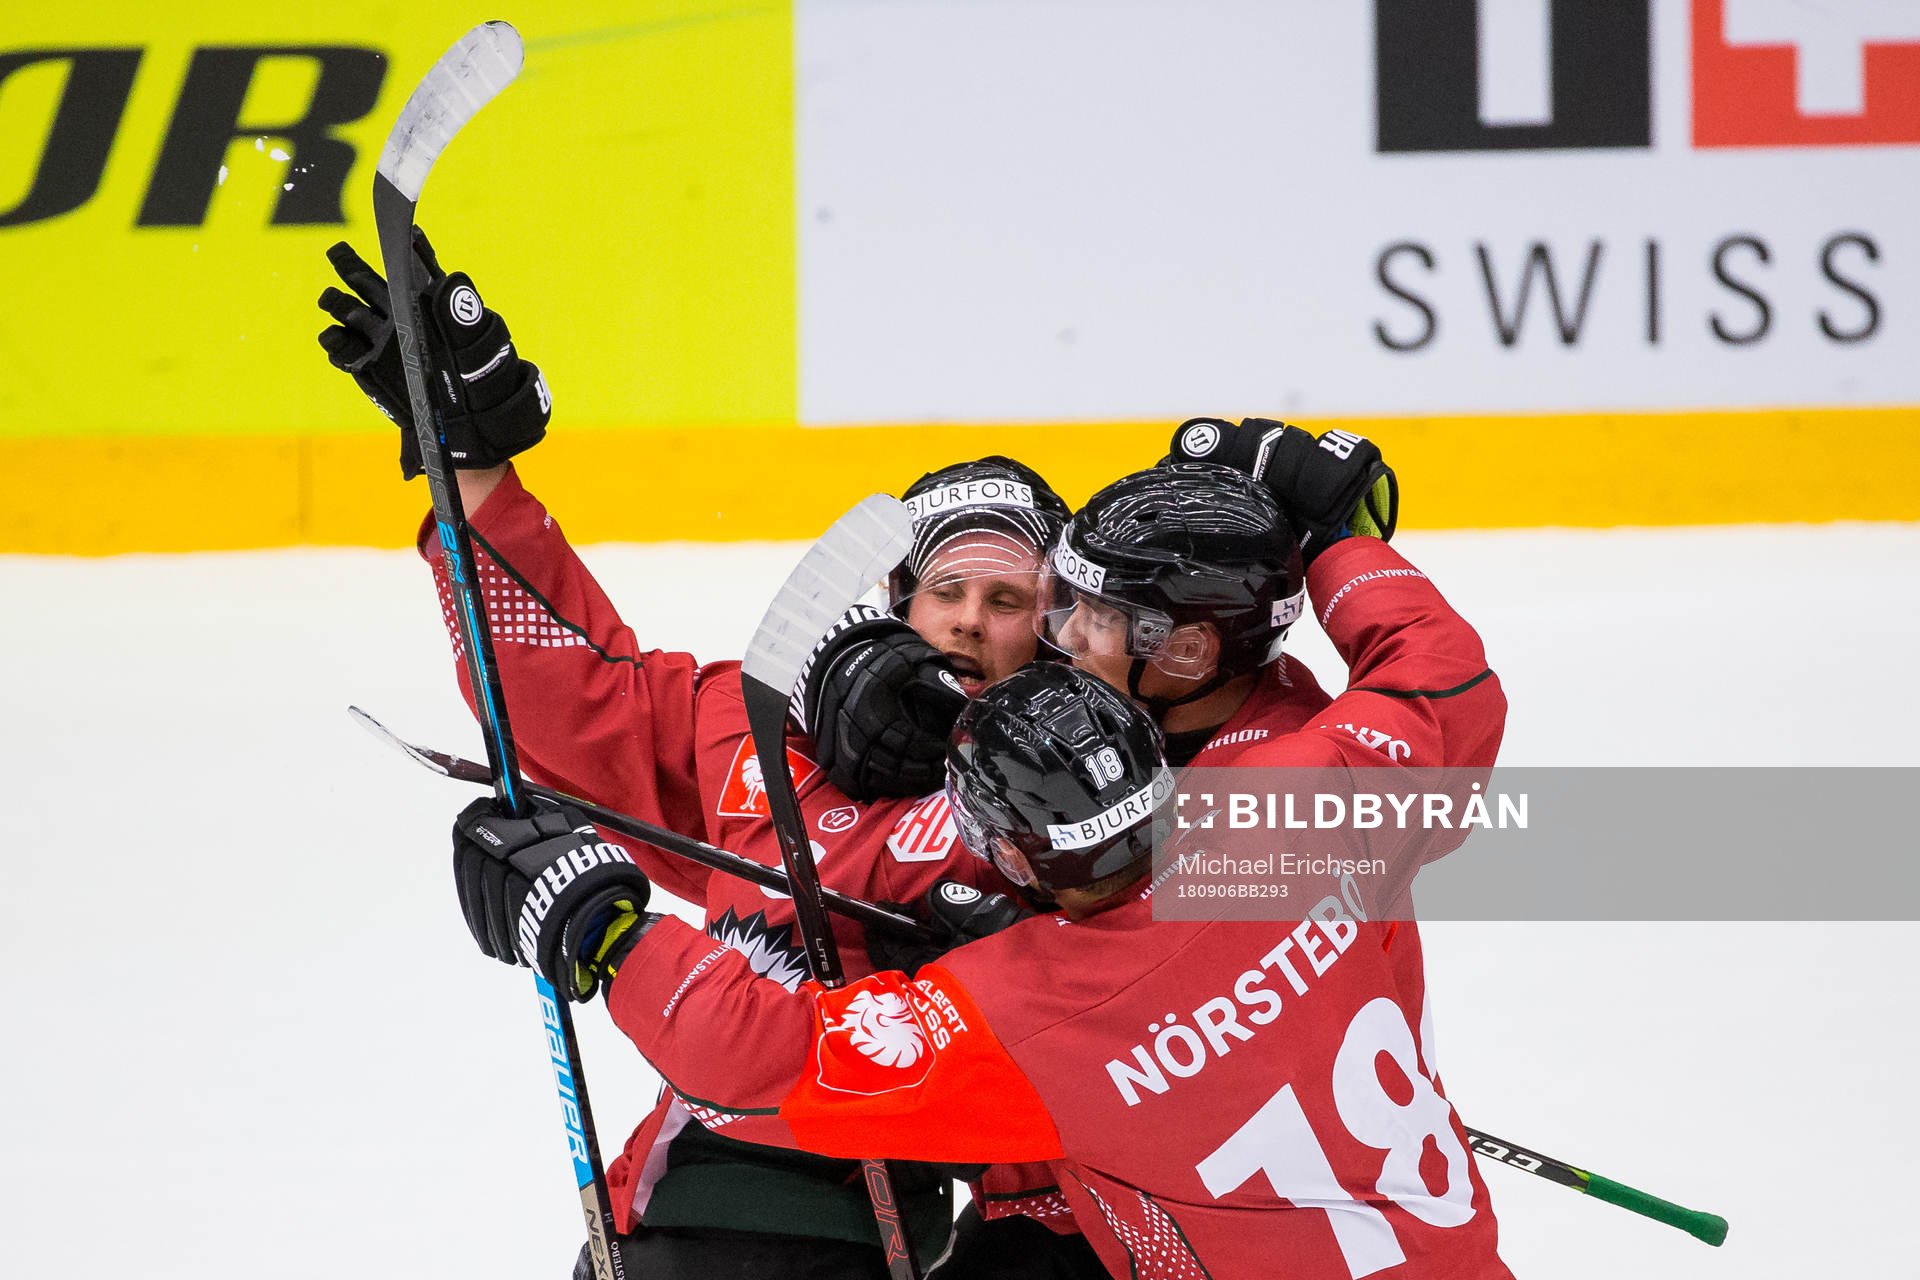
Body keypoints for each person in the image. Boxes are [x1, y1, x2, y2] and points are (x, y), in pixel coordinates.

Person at [315, 233, 1075, 1277]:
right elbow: (575, 700)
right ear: (897, 599)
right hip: (663, 1206)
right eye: (946, 591)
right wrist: (473, 465)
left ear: (1054, 628)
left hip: (876, 1229)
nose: (966, 623)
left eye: (1005, 600)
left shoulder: (1082, 796)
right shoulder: (760, 721)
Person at [446, 663, 1516, 1278]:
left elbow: (758, 1054)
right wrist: (1333, 539)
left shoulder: (1025, 1007)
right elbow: (1444, 690)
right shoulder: (1293, 800)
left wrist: (604, 922)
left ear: (1008, 851)